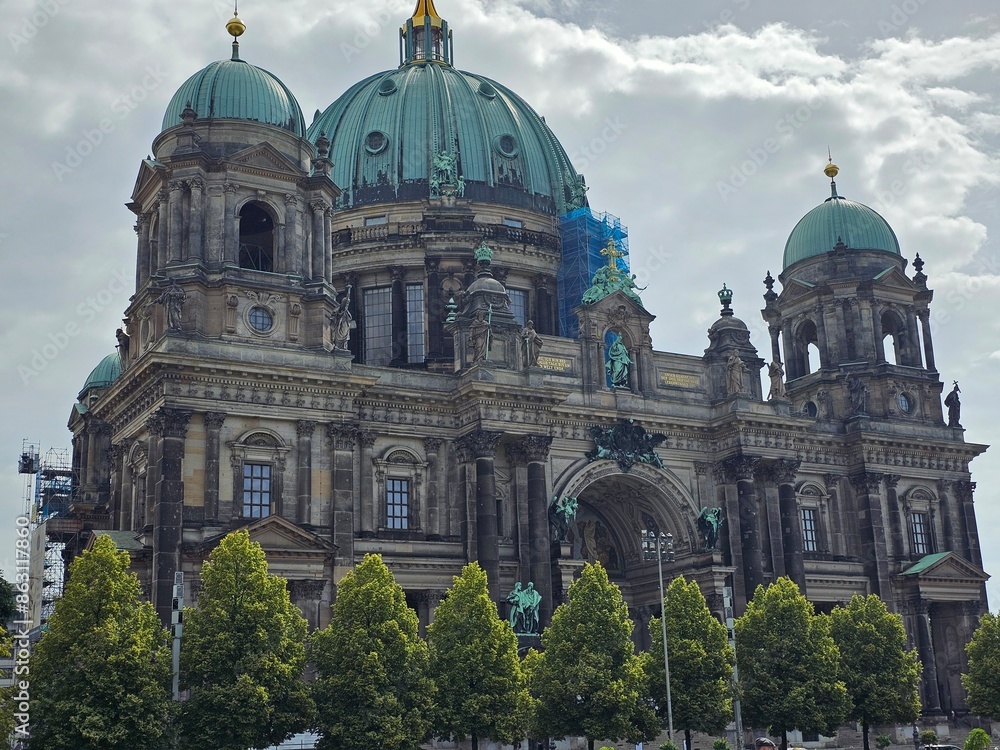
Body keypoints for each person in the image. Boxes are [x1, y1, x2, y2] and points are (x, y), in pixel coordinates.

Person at [329, 285, 354, 351]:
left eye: (348, 305)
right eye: (345, 304)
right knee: (338, 337)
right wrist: (348, 290)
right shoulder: (338, 311)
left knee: (343, 338)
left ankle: (343, 347)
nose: (346, 306)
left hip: (344, 328)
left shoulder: (347, 313)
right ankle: (338, 346)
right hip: (339, 327)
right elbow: (336, 314)